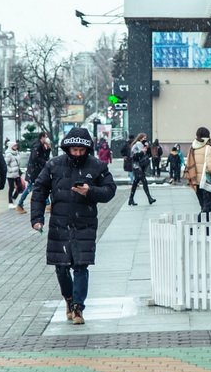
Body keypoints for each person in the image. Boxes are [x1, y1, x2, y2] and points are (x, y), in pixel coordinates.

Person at [29, 127, 116, 325]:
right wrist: (37, 218)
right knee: (60, 267)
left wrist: (90, 191)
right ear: (67, 148)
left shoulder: (97, 166)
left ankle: (78, 306)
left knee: (80, 266)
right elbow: (39, 190)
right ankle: (68, 299)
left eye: (81, 150)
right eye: (74, 149)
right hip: (59, 223)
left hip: (84, 224)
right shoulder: (54, 165)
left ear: (87, 149)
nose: (77, 153)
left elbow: (110, 190)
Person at [184, 127, 211, 221]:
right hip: (207, 182)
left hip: (196, 181)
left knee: (203, 207)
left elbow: (188, 164)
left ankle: (206, 229)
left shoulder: (192, 148)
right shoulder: (208, 148)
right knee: (207, 208)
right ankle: (195, 226)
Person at [15, 133, 51, 214]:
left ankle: (48, 205)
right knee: (33, 188)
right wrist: (45, 162)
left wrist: (48, 149)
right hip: (34, 171)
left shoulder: (41, 145)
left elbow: (45, 156)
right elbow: (36, 158)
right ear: (42, 137)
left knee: (33, 187)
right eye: (46, 137)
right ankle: (20, 204)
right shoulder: (38, 145)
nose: (47, 138)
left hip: (36, 171)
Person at [127, 133, 156, 206]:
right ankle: (149, 198)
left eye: (146, 138)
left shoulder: (143, 146)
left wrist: (147, 148)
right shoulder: (136, 146)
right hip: (136, 167)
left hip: (142, 167)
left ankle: (131, 199)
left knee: (135, 182)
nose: (145, 139)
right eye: (144, 138)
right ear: (140, 138)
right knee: (144, 181)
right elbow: (134, 156)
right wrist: (142, 152)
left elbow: (149, 155)